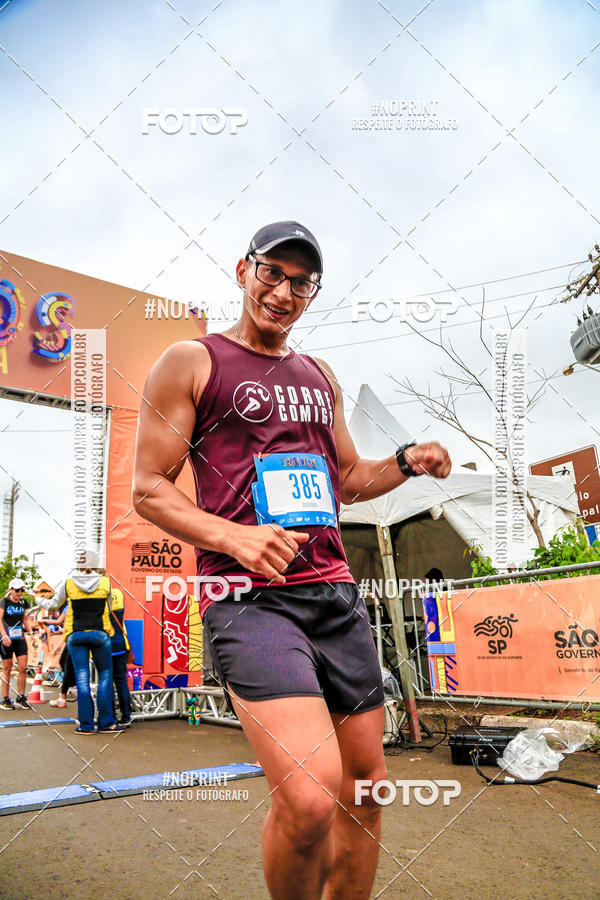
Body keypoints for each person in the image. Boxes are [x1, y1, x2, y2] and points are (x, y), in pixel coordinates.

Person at [133, 221, 451, 899]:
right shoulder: (192, 361)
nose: (282, 291)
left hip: (333, 597)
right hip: (250, 601)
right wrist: (235, 536)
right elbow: (149, 488)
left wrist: (405, 462)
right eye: (271, 273)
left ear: (313, 291)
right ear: (242, 269)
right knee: (309, 800)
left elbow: (348, 481)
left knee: (366, 790)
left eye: (299, 282)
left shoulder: (319, 375)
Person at [45, 553, 126, 735]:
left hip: (76, 634)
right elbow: (109, 609)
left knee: (82, 679)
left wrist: (37, 599)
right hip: (99, 633)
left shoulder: (69, 582)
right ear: (96, 564)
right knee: (105, 676)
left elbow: (52, 605)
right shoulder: (105, 582)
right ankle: (107, 723)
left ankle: (86, 725)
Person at [0, 577, 33, 710]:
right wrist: (4, 636)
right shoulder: (4, 601)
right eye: (17, 590)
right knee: (7, 669)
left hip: (19, 638)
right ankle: (5, 698)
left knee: (23, 668)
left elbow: (25, 620)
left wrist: (31, 633)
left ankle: (21, 697)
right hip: (6, 639)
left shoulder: (23, 602)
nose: (20, 593)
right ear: (11, 590)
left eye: (22, 590)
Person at [109, 586, 133, 727]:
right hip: (121, 645)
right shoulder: (118, 593)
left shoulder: (98, 595)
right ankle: (126, 716)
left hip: (106, 645)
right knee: (121, 682)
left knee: (107, 683)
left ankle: (110, 717)